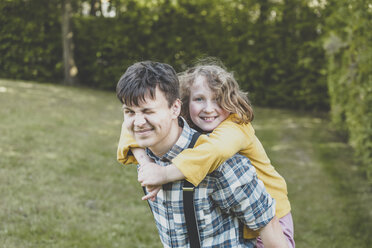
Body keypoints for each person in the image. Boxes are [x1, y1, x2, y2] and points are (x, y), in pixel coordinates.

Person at [117, 62, 295, 248]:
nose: (209, 108)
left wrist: (164, 174)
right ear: (185, 102)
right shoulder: (171, 130)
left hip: (275, 209)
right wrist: (145, 163)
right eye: (199, 99)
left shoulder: (235, 130)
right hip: (242, 215)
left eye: (217, 99)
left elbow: (215, 151)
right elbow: (128, 129)